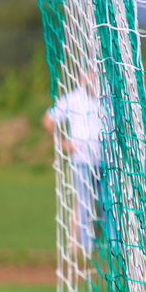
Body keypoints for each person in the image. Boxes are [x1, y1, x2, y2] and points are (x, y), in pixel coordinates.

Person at [41, 72, 113, 253]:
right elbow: (48, 120)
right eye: (89, 76)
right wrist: (63, 142)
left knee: (109, 203)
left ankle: (115, 246)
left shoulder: (109, 98)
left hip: (108, 160)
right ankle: (86, 247)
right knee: (85, 202)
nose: (93, 79)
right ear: (82, 78)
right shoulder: (73, 99)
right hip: (82, 160)